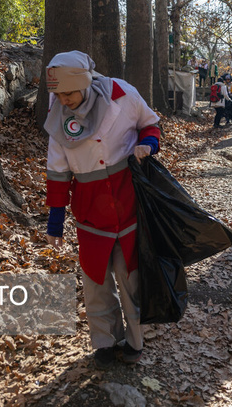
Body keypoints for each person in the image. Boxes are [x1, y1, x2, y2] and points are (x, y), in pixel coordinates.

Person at [44, 51, 161, 369]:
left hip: (127, 202)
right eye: (57, 94)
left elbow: (150, 124)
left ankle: (136, 340)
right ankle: (106, 341)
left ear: (82, 81)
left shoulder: (122, 94)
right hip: (89, 210)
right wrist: (56, 219)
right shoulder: (58, 112)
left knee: (130, 276)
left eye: (68, 92)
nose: (63, 100)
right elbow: (57, 168)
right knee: (95, 280)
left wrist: (148, 145)